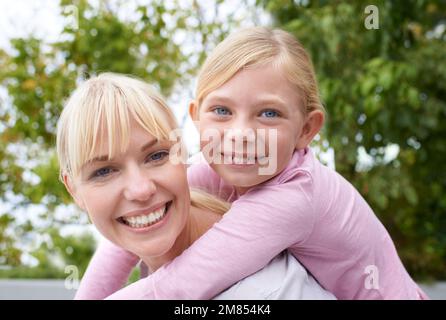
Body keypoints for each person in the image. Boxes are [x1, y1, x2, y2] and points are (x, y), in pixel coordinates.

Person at [74, 27, 428, 300]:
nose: (241, 134)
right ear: (196, 117)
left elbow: (180, 285)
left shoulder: (294, 197)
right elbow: (127, 231)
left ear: (306, 130)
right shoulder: (218, 167)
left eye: (269, 113)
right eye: (222, 111)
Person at [57, 72, 336, 300]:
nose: (141, 190)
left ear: (184, 155)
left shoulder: (265, 291)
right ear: (74, 190)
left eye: (157, 156)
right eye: (104, 171)